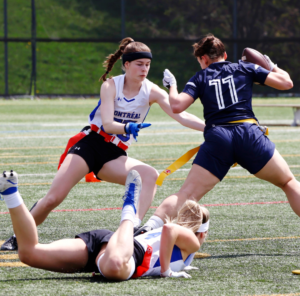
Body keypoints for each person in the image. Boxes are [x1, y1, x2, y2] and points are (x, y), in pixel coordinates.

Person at [1, 37, 206, 250]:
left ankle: (134, 228)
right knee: (53, 198)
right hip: (90, 145)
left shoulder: (152, 90)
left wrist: (210, 128)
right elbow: (108, 124)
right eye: (139, 64)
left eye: (147, 64)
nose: (144, 69)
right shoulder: (110, 85)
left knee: (150, 175)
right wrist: (128, 127)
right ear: (126, 64)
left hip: (114, 153)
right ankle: (17, 236)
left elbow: (181, 115)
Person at [135, 33, 300, 235]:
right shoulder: (245, 67)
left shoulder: (200, 77)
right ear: (225, 54)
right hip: (248, 133)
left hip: (218, 137)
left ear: (203, 59)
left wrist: (172, 86)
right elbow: (287, 83)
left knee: (187, 194)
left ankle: (149, 228)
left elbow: (177, 105)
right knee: (288, 182)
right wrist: (270, 65)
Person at [0, 170, 209, 280]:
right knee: (115, 266)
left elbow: (169, 227)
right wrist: (166, 272)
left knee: (29, 254)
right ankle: (129, 207)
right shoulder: (192, 243)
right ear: (201, 233)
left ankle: (10, 193)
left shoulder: (184, 253)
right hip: (126, 254)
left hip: (107, 249)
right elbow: (170, 229)